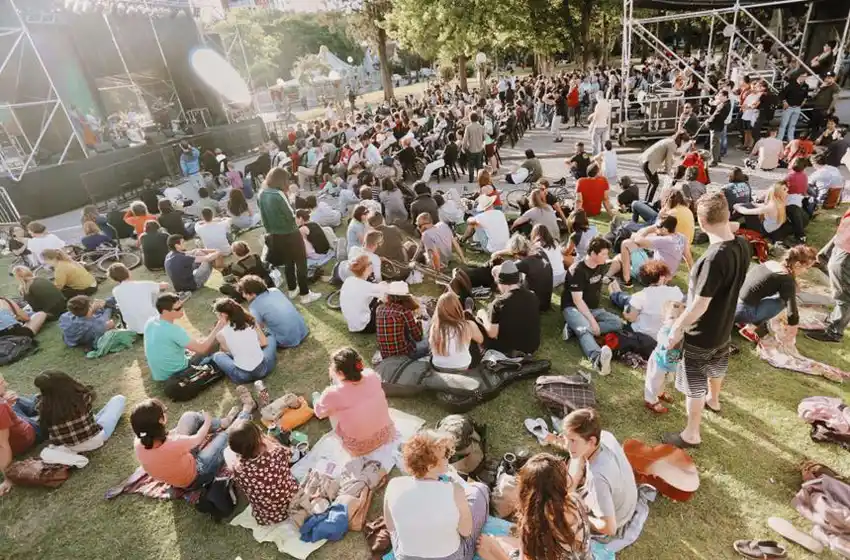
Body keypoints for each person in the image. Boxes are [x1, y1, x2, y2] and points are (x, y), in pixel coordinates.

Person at [663, 193, 750, 448]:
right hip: (724, 329)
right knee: (717, 365)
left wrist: (676, 329)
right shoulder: (742, 245)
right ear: (726, 214)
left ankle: (691, 433)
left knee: (694, 383)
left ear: (701, 221)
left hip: (701, 334)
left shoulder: (712, 260)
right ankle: (715, 400)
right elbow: (731, 227)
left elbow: (700, 304)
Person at [384, 430, 489, 560]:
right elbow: (466, 532)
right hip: (450, 557)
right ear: (429, 466)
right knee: (480, 490)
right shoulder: (454, 490)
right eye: (444, 455)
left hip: (405, 557)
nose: (448, 458)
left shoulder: (393, 485)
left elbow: (390, 526)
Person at [477, 453, 592, 560]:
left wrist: (493, 549)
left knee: (489, 546)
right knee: (504, 542)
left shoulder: (533, 528)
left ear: (526, 492)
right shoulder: (575, 501)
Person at [131, 395, 253, 489]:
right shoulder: (173, 443)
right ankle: (246, 411)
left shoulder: (139, 441)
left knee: (189, 417)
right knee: (224, 436)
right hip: (197, 475)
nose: (166, 412)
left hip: (180, 465)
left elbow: (171, 439)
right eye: (165, 411)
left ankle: (224, 422)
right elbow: (198, 438)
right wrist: (207, 421)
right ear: (161, 420)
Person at [562, 409, 638, 538]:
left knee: (562, 520)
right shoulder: (604, 436)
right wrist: (569, 489)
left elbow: (609, 528)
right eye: (566, 439)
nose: (567, 446)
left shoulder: (597, 478)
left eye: (573, 441)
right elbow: (577, 458)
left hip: (618, 518)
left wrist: (578, 514)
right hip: (626, 499)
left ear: (591, 441)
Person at [314, 347, 395, 456]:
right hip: (386, 435)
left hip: (358, 447)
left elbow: (319, 414)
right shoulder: (372, 375)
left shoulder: (332, 393)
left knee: (330, 409)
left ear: (340, 372)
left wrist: (317, 400)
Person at [258, 168, 321, 304]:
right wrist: (292, 201)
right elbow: (291, 216)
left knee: (288, 262)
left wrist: (271, 232)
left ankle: (293, 289)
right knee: (301, 263)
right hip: (291, 233)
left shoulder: (261, 194)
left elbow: (263, 218)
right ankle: (305, 294)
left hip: (275, 234)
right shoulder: (279, 194)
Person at [144, 293, 225, 395]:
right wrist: (219, 326)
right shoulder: (173, 330)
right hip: (178, 371)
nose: (182, 310)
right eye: (177, 309)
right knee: (215, 342)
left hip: (160, 374)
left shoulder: (150, 322)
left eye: (182, 305)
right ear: (165, 311)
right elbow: (202, 349)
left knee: (202, 342)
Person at [735, 245, 817, 343]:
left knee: (777, 296)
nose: (806, 271)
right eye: (807, 268)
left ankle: (742, 321)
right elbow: (792, 310)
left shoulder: (770, 263)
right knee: (780, 303)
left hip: (731, 302)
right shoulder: (786, 279)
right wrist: (793, 330)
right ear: (798, 264)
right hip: (741, 311)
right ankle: (749, 329)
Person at [562, 237, 620, 374]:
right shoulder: (577, 271)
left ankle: (572, 328)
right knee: (585, 329)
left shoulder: (601, 265)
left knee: (617, 323)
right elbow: (577, 301)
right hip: (573, 308)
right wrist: (593, 322)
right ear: (593, 254)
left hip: (593, 309)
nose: (607, 257)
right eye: (604, 254)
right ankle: (597, 358)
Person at [225, 420, 299, 526]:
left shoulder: (238, 470)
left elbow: (228, 454)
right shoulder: (276, 452)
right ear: (259, 438)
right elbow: (290, 455)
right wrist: (268, 440)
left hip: (269, 516)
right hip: (291, 499)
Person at [34, 371, 126, 453]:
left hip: (66, 447)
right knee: (119, 399)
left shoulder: (42, 406)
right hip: (94, 440)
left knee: (89, 417)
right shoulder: (82, 397)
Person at [608, 214, 691, 288]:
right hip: (665, 276)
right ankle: (608, 276)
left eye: (657, 226)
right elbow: (689, 259)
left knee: (626, 244)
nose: (656, 228)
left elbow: (638, 240)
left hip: (653, 278)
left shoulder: (664, 240)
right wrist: (693, 278)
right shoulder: (681, 237)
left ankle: (626, 280)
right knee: (621, 257)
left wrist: (650, 228)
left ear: (665, 229)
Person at [476, 260, 541, 355]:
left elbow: (492, 333)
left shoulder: (499, 302)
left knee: (477, 323)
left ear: (501, 282)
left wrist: (482, 315)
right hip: (531, 347)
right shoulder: (532, 296)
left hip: (508, 350)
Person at [805, 209, 850, 343]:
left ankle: (834, 332)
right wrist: (827, 249)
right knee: (839, 285)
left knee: (844, 294)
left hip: (847, 251)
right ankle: (833, 319)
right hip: (842, 242)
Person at [211, 298, 277, 384]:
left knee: (217, 356)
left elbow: (231, 353)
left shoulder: (220, 335)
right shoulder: (250, 321)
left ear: (223, 315)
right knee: (270, 337)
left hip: (242, 376)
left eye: (217, 313)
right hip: (263, 369)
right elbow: (264, 343)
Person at [642, 300, 688, 414]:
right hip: (658, 361)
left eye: (679, 318)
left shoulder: (683, 331)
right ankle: (651, 400)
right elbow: (667, 344)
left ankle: (659, 393)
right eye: (672, 318)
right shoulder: (664, 331)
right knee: (654, 381)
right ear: (664, 320)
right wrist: (674, 337)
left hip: (670, 363)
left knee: (662, 381)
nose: (675, 321)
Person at [238, 275, 308, 349]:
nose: (243, 296)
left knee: (260, 333)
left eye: (244, 293)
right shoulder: (275, 290)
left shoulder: (254, 306)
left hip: (287, 340)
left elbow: (257, 327)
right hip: (303, 330)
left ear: (252, 293)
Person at [0, 374, 38, 496]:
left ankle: (35, 401)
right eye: (1, 383)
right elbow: (2, 446)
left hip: (14, 427)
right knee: (44, 408)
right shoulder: (1, 408)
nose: (6, 384)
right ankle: (39, 401)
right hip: (28, 434)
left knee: (14, 401)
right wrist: (8, 478)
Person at [430, 292, 484, 371]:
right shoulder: (468, 325)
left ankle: (468, 311)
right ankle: (469, 311)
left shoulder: (434, 326)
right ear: (458, 307)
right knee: (472, 340)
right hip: (462, 366)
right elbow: (481, 340)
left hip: (437, 365)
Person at [109, 263, 167, 334]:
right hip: (154, 324)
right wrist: (162, 283)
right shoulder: (145, 284)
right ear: (128, 271)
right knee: (155, 293)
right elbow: (164, 286)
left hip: (134, 328)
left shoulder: (115, 291)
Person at [376, 282, 428, 360]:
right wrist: (418, 321)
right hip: (405, 355)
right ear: (406, 297)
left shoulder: (379, 308)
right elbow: (418, 337)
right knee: (430, 342)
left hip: (385, 355)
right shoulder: (404, 311)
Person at [340, 254, 389, 333]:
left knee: (377, 297)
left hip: (352, 325)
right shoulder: (367, 286)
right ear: (368, 268)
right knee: (385, 298)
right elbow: (387, 291)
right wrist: (384, 285)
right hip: (366, 326)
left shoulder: (348, 280)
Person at [640, 132, 689, 202]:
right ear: (682, 140)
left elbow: (671, 153)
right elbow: (668, 160)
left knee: (651, 182)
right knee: (655, 183)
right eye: (685, 143)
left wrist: (682, 154)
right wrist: (669, 174)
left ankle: (645, 202)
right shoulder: (672, 145)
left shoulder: (670, 141)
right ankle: (648, 202)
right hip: (649, 163)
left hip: (644, 160)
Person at [777, 73, 809, 142]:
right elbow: (781, 94)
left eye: (805, 77)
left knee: (792, 125)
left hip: (797, 107)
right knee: (783, 124)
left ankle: (790, 139)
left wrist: (804, 101)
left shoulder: (806, 86)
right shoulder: (791, 85)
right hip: (789, 107)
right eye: (803, 76)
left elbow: (806, 95)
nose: (804, 78)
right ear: (799, 76)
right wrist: (784, 102)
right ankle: (779, 139)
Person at [707, 90, 732, 166]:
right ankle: (717, 158)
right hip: (718, 125)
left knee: (714, 144)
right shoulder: (724, 103)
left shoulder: (724, 105)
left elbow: (717, 116)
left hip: (716, 125)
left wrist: (709, 121)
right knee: (716, 143)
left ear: (725, 96)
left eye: (720, 96)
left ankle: (714, 160)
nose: (719, 98)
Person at [462, 112, 486, 183]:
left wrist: (463, 147)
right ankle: (480, 178)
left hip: (471, 148)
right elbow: (484, 137)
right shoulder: (481, 127)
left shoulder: (468, 127)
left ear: (470, 119)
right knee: (479, 164)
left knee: (471, 165)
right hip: (480, 148)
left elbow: (465, 139)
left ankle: (471, 179)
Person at [588, 91, 611, 155]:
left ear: (598, 96)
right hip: (605, 125)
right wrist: (592, 115)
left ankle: (595, 157)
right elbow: (606, 114)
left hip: (598, 126)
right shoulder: (607, 103)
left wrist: (591, 126)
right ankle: (603, 156)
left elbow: (596, 116)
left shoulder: (598, 105)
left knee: (595, 144)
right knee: (603, 143)